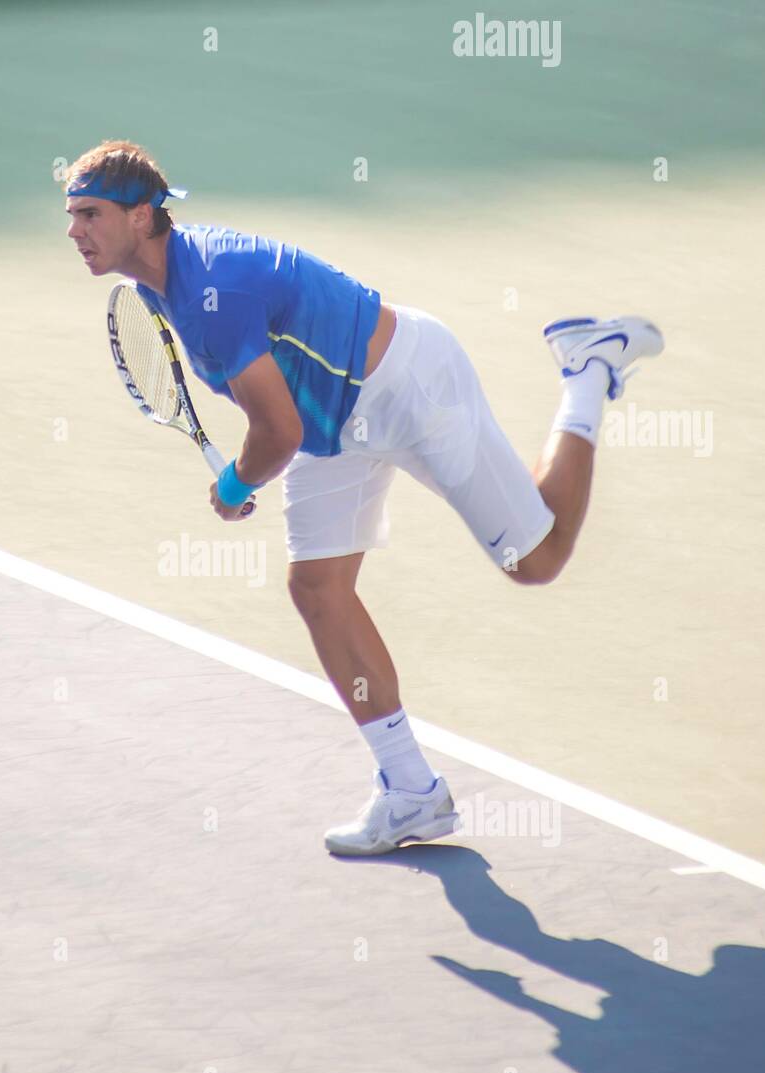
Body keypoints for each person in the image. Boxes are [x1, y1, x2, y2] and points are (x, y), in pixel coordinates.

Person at [64, 140, 663, 856]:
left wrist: (234, 484)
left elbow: (276, 429)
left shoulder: (211, 293)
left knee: (537, 558)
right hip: (338, 425)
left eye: (90, 214)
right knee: (317, 587)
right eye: (70, 216)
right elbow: (286, 413)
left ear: (140, 218)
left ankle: (589, 370)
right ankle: (412, 791)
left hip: (410, 388)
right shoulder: (157, 285)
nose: (74, 231)